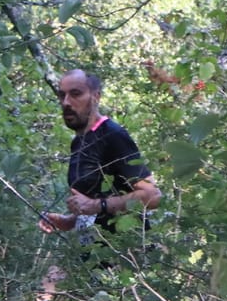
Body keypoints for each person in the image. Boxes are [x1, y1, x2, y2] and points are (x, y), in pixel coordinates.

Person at [39, 68, 162, 237]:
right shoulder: (78, 142)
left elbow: (153, 196)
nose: (66, 102)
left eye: (75, 94)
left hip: (127, 248)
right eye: (62, 95)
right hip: (94, 250)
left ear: (96, 97)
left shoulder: (113, 135)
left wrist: (97, 205)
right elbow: (91, 205)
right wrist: (67, 221)